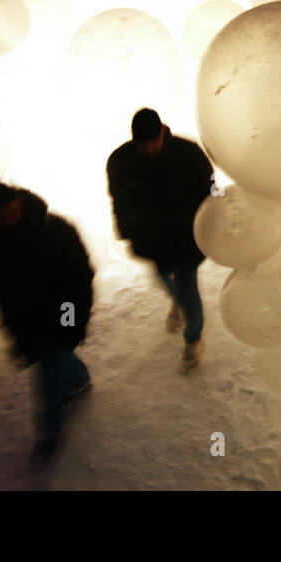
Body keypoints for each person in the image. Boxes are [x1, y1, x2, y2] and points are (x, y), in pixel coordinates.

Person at [0, 182, 94, 470]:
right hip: (21, 316)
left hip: (60, 311)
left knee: (48, 371)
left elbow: (80, 275)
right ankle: (80, 380)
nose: (8, 218)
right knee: (55, 358)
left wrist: (75, 319)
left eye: (12, 211)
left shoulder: (53, 229)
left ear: (20, 204)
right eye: (0, 215)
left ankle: (49, 434)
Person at [107, 108, 215, 375]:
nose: (149, 148)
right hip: (152, 238)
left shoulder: (188, 154)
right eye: (142, 143)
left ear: (163, 131)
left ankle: (193, 338)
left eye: (153, 140)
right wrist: (126, 230)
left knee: (188, 287)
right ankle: (177, 302)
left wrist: (215, 222)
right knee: (164, 276)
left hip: (188, 237)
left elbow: (212, 189)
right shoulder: (120, 161)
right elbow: (118, 200)